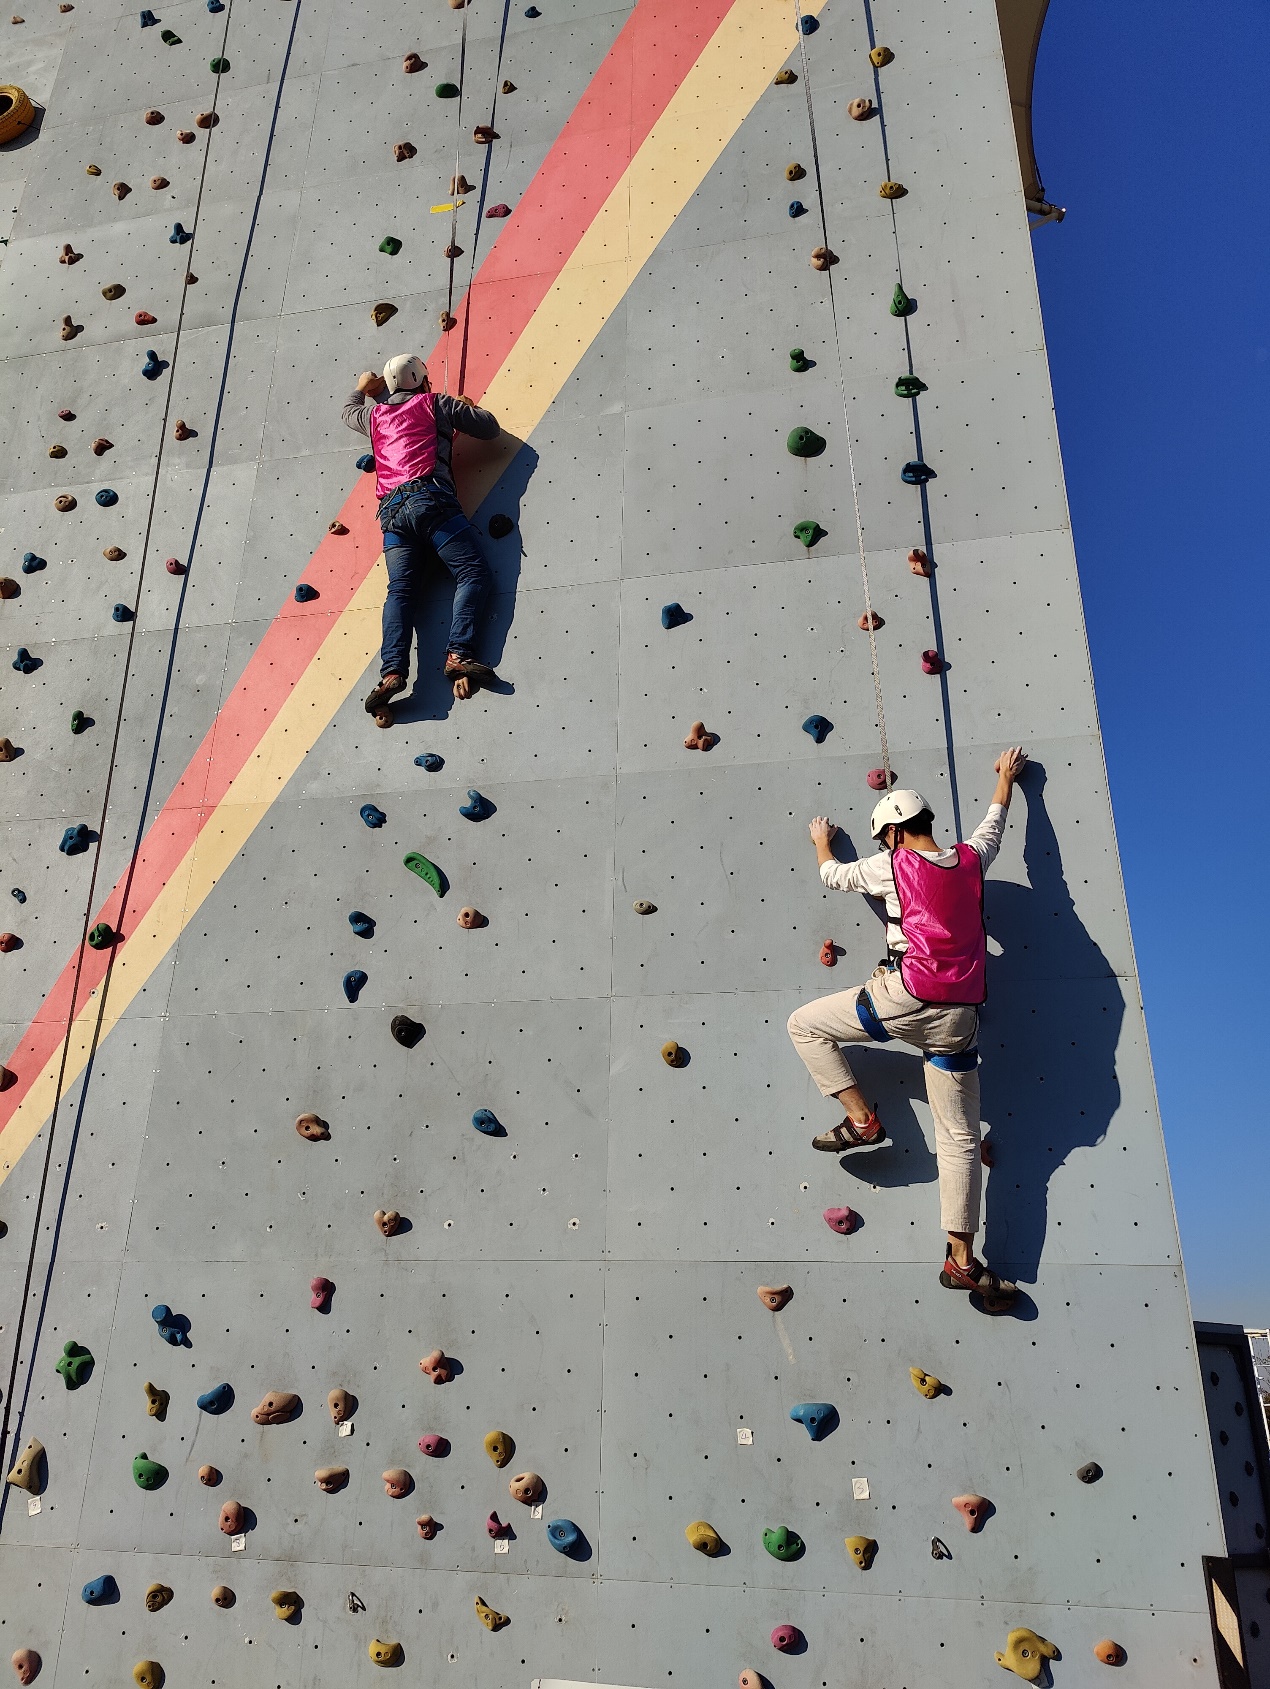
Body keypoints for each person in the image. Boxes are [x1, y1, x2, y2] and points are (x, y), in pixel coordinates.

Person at [786, 748, 1028, 1309]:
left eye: (882, 839)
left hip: (904, 997)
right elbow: (993, 827)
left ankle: (861, 1120)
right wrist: (1004, 779)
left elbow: (833, 876)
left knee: (805, 1026)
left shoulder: (890, 864)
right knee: (960, 1138)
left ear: (892, 834)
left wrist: (821, 840)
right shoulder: (970, 860)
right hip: (959, 1017)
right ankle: (961, 1260)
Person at [342, 353, 502, 717]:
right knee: (472, 572)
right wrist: (466, 409)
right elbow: (490, 428)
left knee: (400, 592)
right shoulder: (436, 403)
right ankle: (458, 654)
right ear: (423, 381)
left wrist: (361, 388)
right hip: (431, 501)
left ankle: (391, 673)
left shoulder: (373, 416)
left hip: (392, 515)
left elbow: (348, 412)